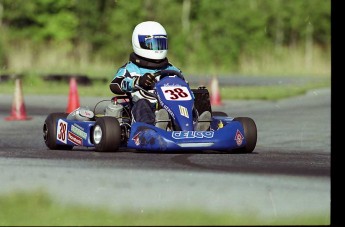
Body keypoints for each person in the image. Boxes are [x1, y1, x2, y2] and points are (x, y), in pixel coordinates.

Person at [110, 21, 211, 130]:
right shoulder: (131, 69)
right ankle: (151, 129)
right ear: (139, 43)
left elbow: (185, 89)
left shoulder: (172, 69)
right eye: (152, 44)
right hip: (145, 108)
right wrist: (137, 82)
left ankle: (196, 126)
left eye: (160, 43)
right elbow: (115, 84)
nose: (157, 48)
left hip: (172, 108)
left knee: (194, 100)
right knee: (142, 104)